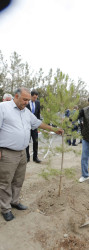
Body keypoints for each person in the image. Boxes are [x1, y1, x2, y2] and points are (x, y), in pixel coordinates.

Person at [0, 87, 63, 221]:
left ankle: (14, 201)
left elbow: (37, 123)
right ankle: (5, 208)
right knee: (5, 182)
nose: (27, 102)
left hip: (22, 152)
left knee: (18, 179)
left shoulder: (26, 112)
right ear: (16, 97)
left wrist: (54, 129)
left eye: (28, 100)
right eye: (25, 99)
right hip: (7, 153)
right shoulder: (3, 108)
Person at [26, 89, 41, 163]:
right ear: (31, 96)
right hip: (26, 126)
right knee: (26, 142)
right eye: (34, 97)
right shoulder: (26, 102)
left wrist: (38, 125)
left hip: (34, 126)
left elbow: (38, 114)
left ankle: (35, 157)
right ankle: (27, 157)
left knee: (36, 142)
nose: (35, 99)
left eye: (36, 97)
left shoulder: (38, 103)